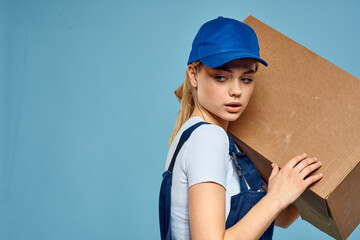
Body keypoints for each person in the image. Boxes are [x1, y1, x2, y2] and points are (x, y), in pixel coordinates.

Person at [159, 16, 323, 240]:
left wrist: (290, 187)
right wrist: (276, 198)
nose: (236, 91)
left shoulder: (202, 137)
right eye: (221, 77)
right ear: (194, 75)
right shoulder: (208, 138)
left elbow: (280, 218)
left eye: (246, 79)